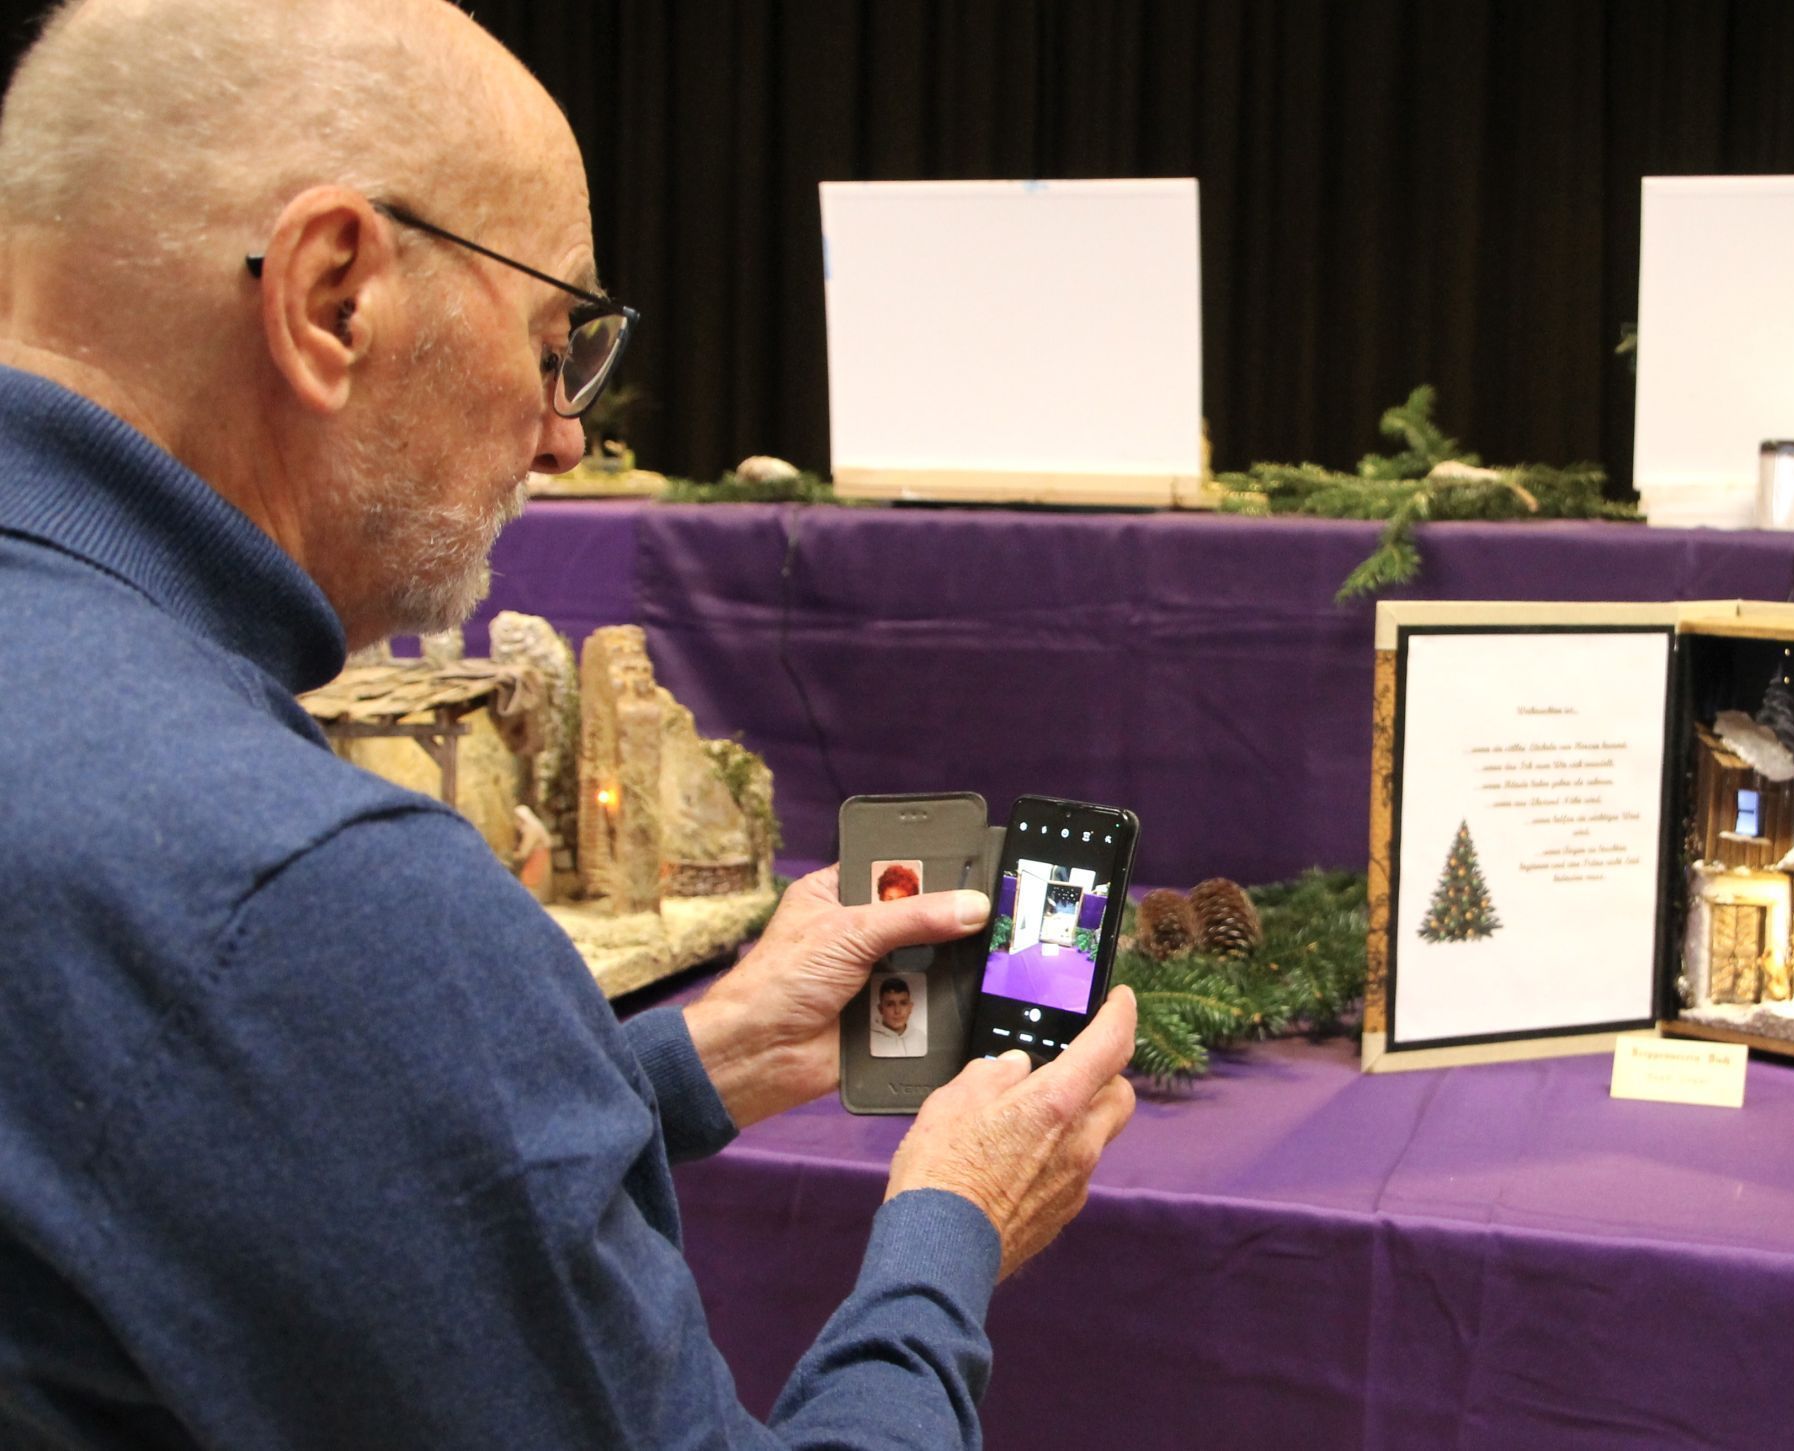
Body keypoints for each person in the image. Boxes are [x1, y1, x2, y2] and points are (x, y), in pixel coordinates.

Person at [0, 3, 1137, 1448]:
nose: (564, 433)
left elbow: (238, 1161)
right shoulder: (309, 889)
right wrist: (952, 1225)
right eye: (556, 340)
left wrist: (699, 1053)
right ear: (335, 297)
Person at [871, 976, 928, 1057]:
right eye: (890, 1004)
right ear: (880, 1009)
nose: (897, 1011)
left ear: (910, 1007)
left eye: (903, 1003)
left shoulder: (921, 1038)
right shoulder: (870, 1039)